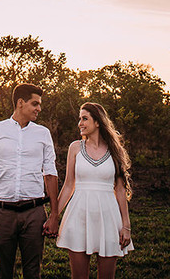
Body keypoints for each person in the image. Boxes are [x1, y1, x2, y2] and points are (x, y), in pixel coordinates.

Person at [0, 83, 60, 279]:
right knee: (3, 273)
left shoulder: (43, 133)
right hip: (2, 214)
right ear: (20, 103)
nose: (39, 109)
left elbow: (50, 173)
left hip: (34, 214)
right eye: (35, 103)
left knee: (33, 273)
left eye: (39, 104)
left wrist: (54, 215)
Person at [55, 102, 133, 279]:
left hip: (108, 218)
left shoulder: (115, 150)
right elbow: (68, 185)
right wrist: (54, 217)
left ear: (97, 122)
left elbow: (120, 190)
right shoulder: (75, 148)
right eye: (79, 119)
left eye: (84, 119)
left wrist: (126, 226)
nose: (80, 123)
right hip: (79, 216)